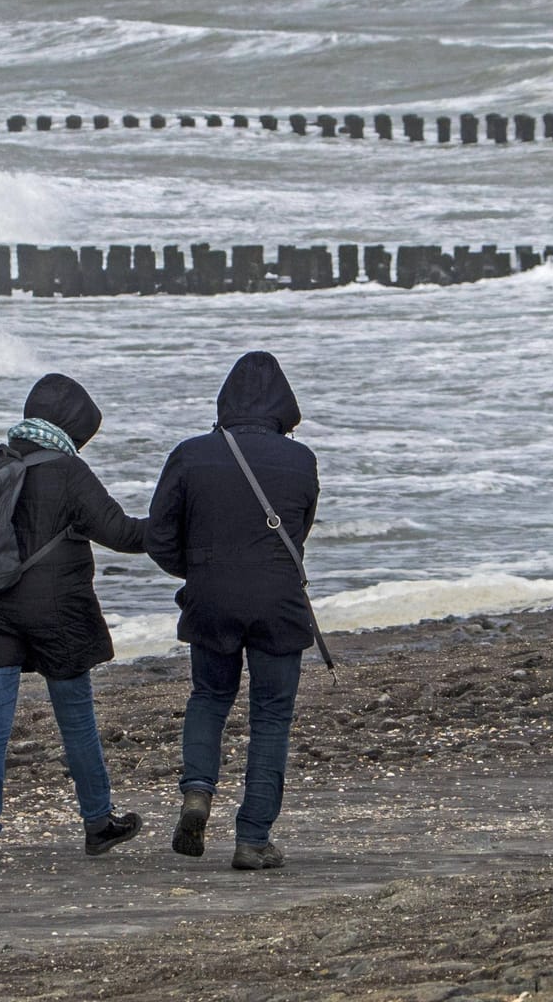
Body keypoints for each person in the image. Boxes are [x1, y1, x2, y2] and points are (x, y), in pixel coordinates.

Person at [0, 372, 149, 870]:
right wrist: (181, 524)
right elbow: (122, 533)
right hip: (59, 611)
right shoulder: (69, 471)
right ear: (74, 425)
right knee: (76, 721)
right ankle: (98, 824)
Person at [145, 351, 319, 871]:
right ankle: (253, 837)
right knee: (270, 717)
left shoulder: (190, 454)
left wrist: (197, 570)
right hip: (278, 602)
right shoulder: (301, 459)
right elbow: (299, 532)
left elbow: (159, 536)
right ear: (283, 406)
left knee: (210, 696)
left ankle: (198, 790)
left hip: (211, 598)